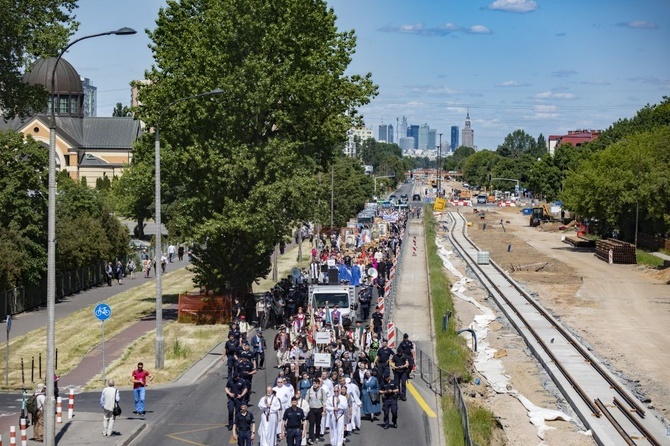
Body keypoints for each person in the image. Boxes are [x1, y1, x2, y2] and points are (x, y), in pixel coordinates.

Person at [306, 378, 326, 445]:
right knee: (311, 424)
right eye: (313, 383)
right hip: (312, 409)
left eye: (316, 383)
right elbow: (306, 400)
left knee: (318, 424)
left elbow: (324, 402)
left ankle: (317, 436)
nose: (314, 385)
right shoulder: (309, 391)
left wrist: (324, 411)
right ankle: (311, 438)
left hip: (319, 408)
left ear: (319, 384)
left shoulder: (322, 391)